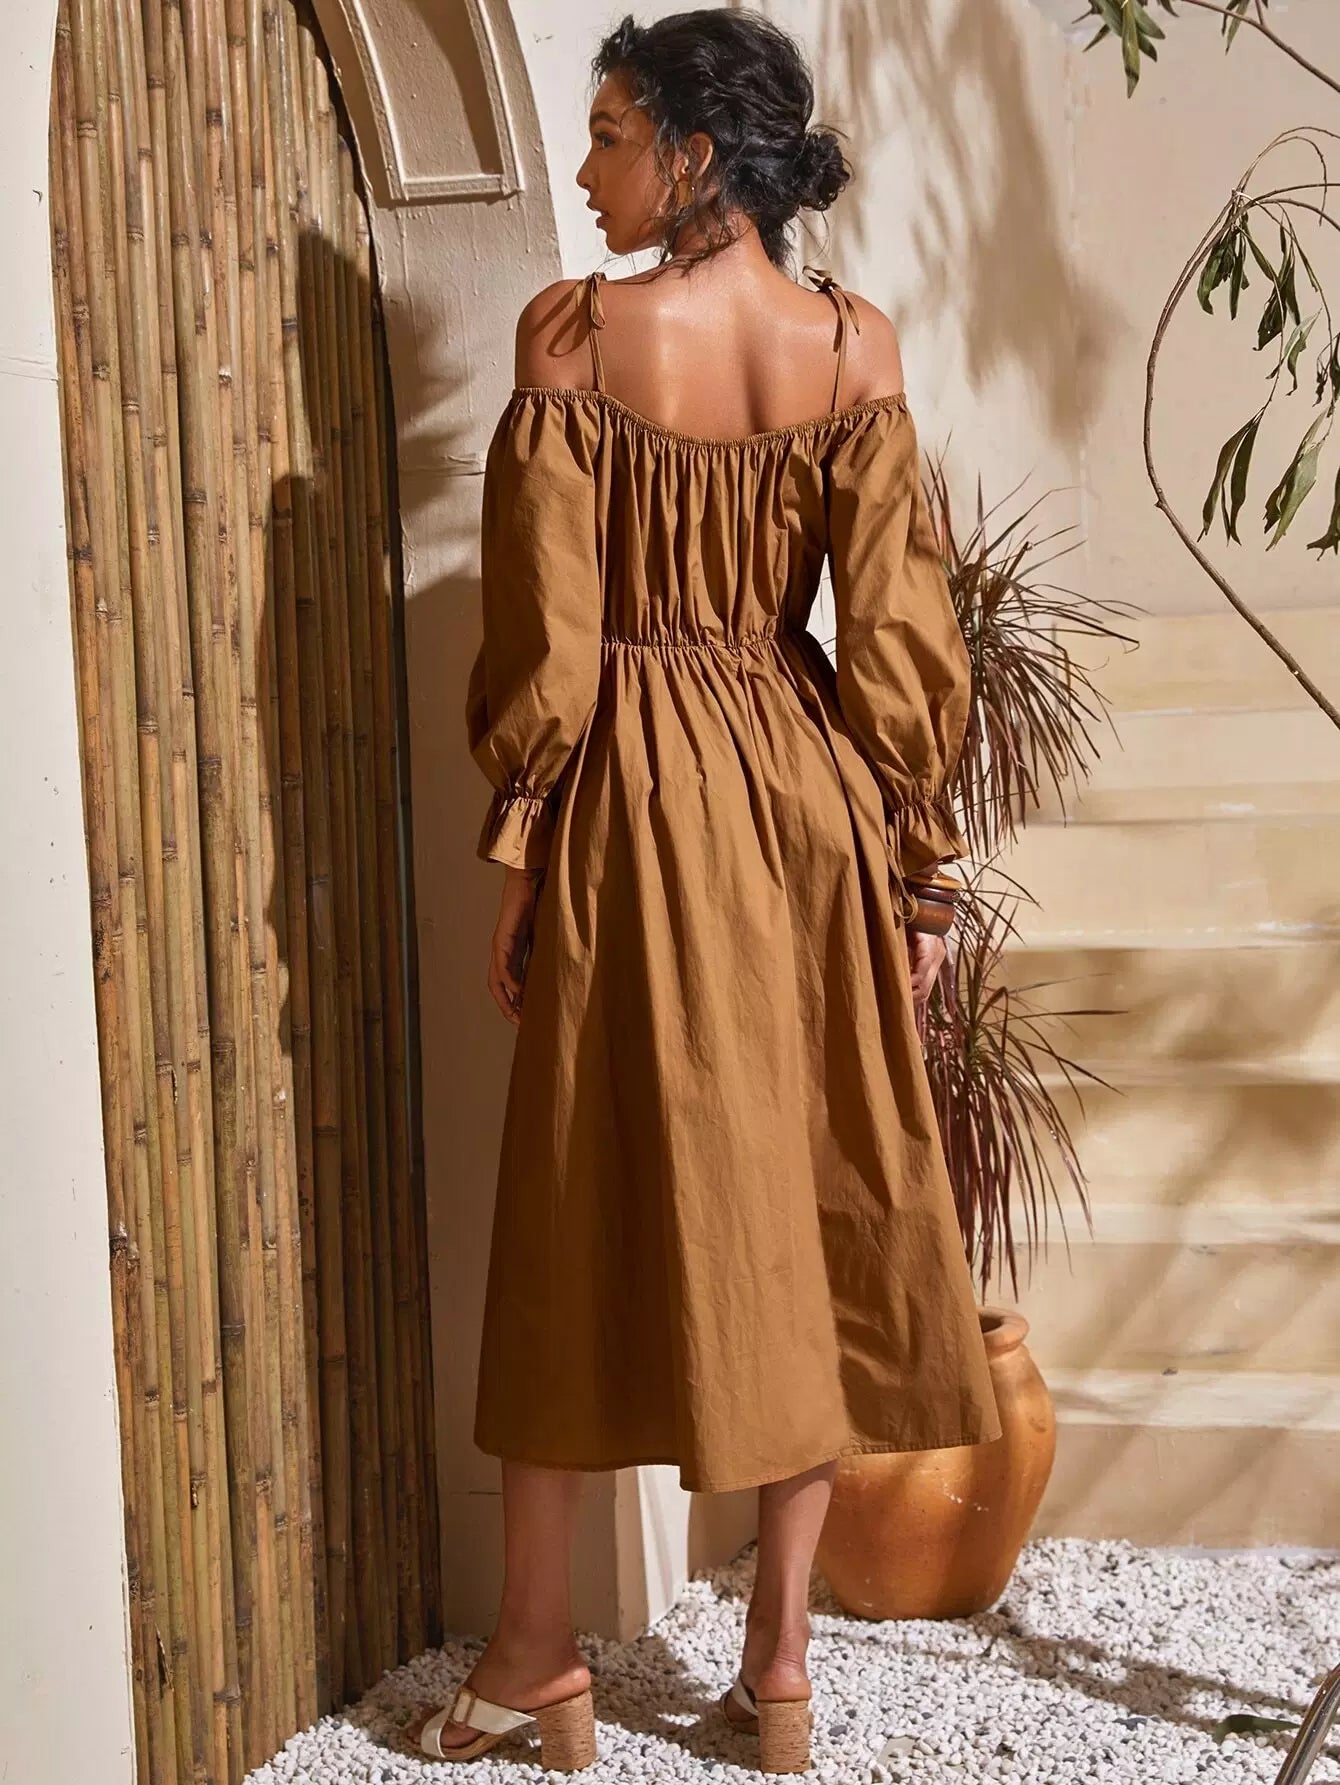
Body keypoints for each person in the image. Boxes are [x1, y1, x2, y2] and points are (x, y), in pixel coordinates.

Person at [408, 8, 1001, 1775]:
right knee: (813, 1213)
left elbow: (549, 636)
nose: (585, 171)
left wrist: (526, 842)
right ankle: (780, 1672)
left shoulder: (575, 342)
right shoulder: (851, 347)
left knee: (574, 1204)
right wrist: (914, 874)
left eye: (609, 135)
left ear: (693, 151)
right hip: (807, 806)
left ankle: (536, 1654)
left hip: (636, 811)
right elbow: (900, 636)